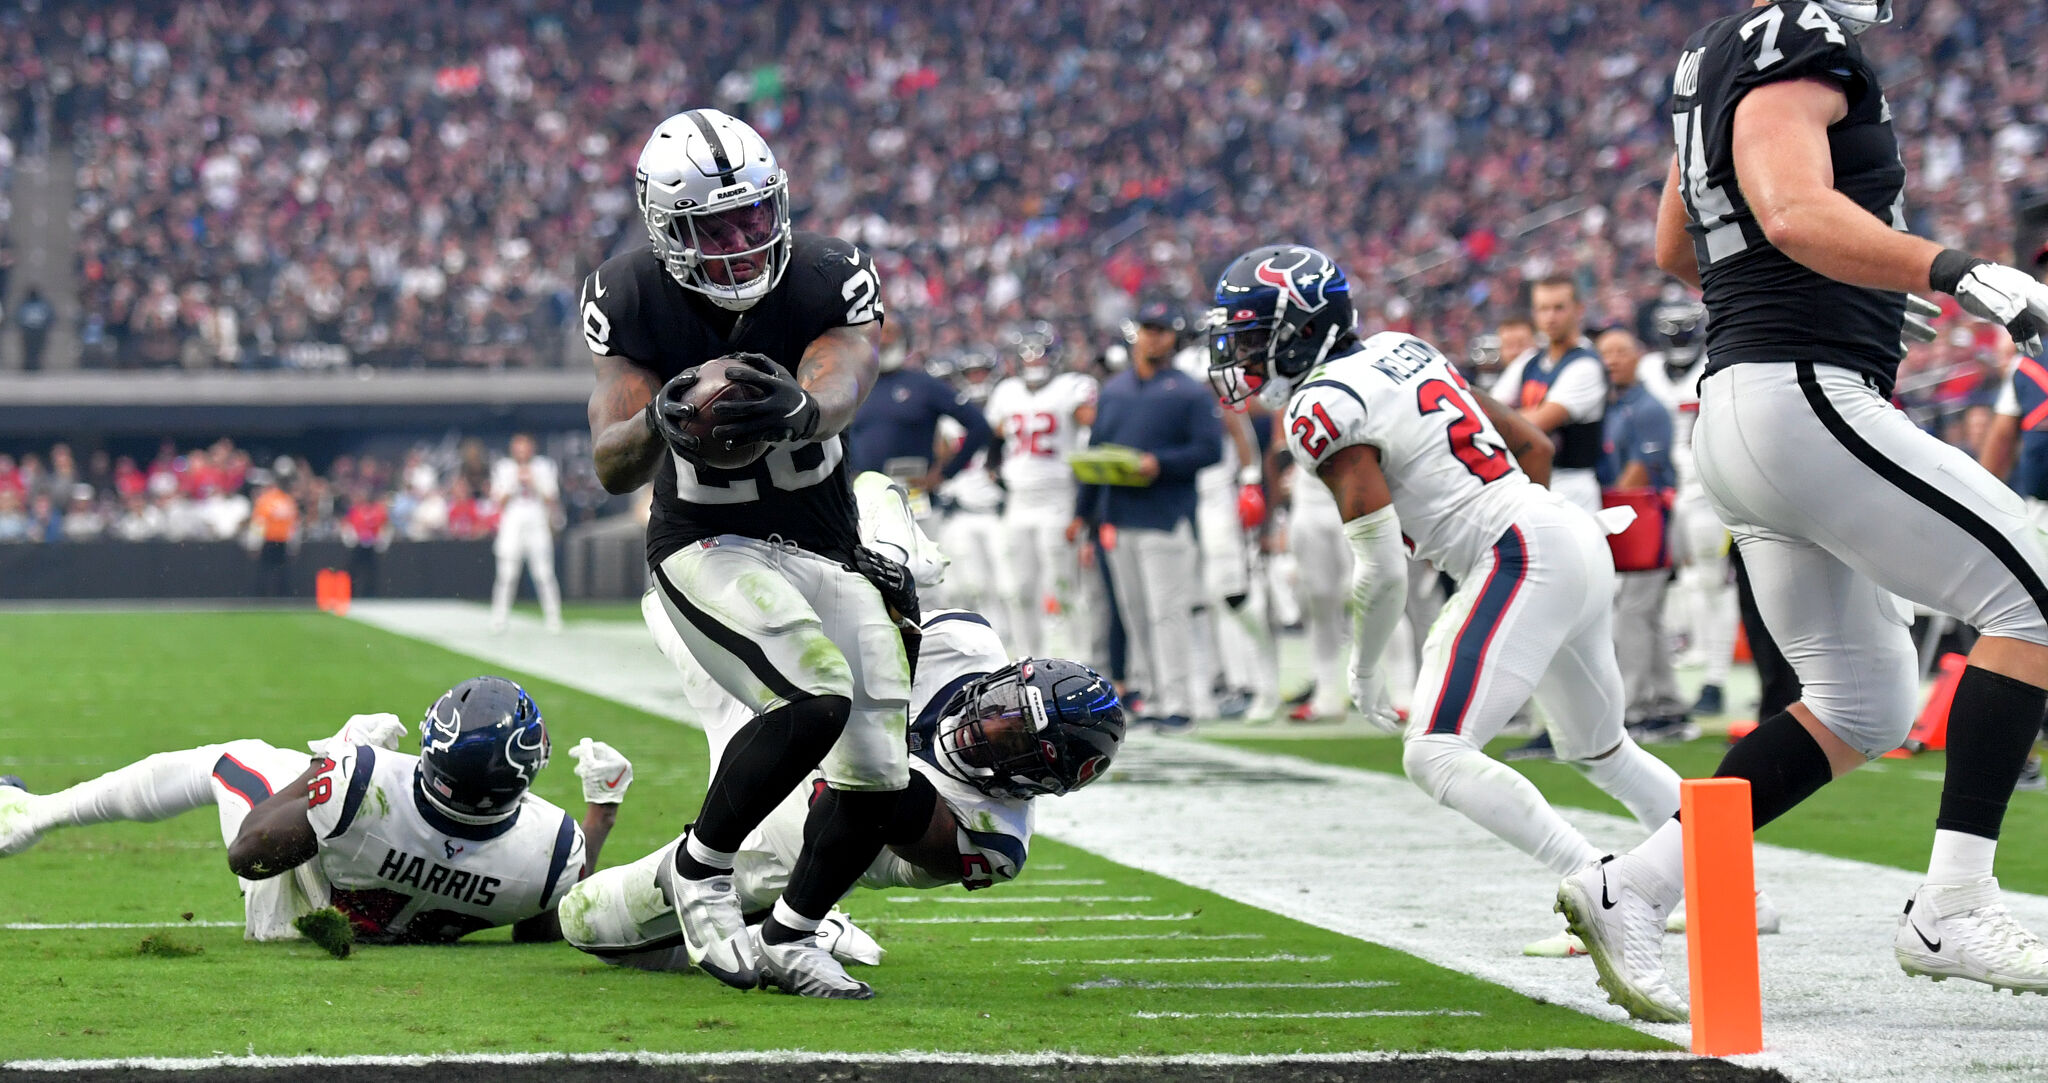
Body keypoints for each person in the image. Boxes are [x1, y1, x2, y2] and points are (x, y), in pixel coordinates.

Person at [1561, 0, 2048, 1022]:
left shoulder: (1713, 55)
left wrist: (1846, 287)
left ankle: (1634, 886)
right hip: (1800, 393)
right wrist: (1951, 270)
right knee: (2033, 593)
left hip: (1753, 402)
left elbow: (1675, 245)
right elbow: (1787, 211)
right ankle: (1952, 903)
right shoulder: (1797, 38)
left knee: (1862, 700)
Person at [1208, 243, 1687, 944]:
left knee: (1433, 750)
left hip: (1521, 548)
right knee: (1600, 747)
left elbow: (1381, 570)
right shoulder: (1404, 348)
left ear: (1301, 329)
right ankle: (1734, 882)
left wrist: (1364, 668)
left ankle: (1605, 888)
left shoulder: (1322, 406)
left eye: (1253, 334)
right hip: (1567, 533)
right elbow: (1534, 446)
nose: (1243, 353)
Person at [580, 108, 910, 999]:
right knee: (813, 693)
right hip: (707, 541)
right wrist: (659, 418)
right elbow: (611, 460)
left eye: (754, 216)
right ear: (664, 227)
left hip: (825, 540)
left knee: (878, 765)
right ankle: (700, 869)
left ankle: (797, 931)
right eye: (714, 227)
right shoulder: (633, 293)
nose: (741, 241)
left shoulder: (826, 272)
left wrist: (803, 410)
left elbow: (846, 371)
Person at [566, 614, 1125, 975]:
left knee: (584, 921)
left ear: (1036, 783)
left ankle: (794, 922)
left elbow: (853, 798)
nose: (991, 725)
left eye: (1018, 742)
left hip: (780, 843)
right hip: (784, 720)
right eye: (1006, 703)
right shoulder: (964, 643)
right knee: (668, 605)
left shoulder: (993, 837)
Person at [0, 678, 628, 945]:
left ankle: (33, 815)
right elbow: (549, 918)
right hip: (397, 928)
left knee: (232, 759)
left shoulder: (368, 782)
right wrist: (600, 813)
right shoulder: (560, 847)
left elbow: (248, 854)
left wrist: (334, 758)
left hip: (301, 909)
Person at [1073, 307, 1223, 731]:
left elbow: (1210, 450)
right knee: (1134, 613)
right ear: (1137, 334)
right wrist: (1083, 513)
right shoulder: (1115, 390)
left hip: (1166, 515)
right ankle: (1152, 697)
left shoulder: (1189, 392)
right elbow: (1096, 450)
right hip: (1118, 517)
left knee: (1167, 612)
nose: (1154, 339)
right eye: (1148, 330)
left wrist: (1162, 463)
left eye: (1162, 331)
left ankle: (1179, 700)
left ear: (1173, 338)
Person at [1158, 298, 1279, 722]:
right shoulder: (1171, 377)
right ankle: (1213, 681)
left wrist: (1248, 481)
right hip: (1181, 497)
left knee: (1229, 594)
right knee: (1192, 599)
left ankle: (1254, 681)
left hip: (1214, 495)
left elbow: (1237, 421)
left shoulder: (1207, 374)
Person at [1634, 296, 1738, 716]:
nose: (1678, 338)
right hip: (1654, 489)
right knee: (1652, 587)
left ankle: (1715, 678)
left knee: (1711, 583)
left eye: (1684, 328)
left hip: (1703, 490)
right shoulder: (1645, 373)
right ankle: (1660, 679)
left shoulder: (1717, 363)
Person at [1596, 328, 1694, 741]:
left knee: (1633, 614)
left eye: (1621, 351)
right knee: (1645, 614)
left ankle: (1633, 706)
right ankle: (1666, 703)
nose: (1612, 360)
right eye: (1606, 353)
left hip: (1644, 516)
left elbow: (1641, 469)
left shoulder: (1648, 407)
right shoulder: (1611, 404)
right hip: (1629, 516)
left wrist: (1607, 512)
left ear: (1638, 356)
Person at [987, 322, 1098, 661]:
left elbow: (1093, 425)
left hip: (1058, 497)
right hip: (1018, 501)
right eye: (1028, 356)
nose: (1034, 361)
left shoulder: (1073, 387)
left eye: (1041, 355)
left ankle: (1077, 661)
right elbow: (995, 437)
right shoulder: (1006, 392)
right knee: (1019, 590)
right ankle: (1027, 660)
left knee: (1062, 588)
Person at [1493, 276, 1608, 514]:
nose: (1550, 317)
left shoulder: (1586, 366)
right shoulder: (1529, 361)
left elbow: (1538, 422)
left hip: (1573, 485)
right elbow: (1488, 412)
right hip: (1528, 483)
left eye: (1559, 308)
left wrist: (1509, 416)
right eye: (1543, 309)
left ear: (1579, 309)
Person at [845, 324, 994, 496]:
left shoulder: (924, 385)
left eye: (889, 333)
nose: (883, 340)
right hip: (865, 498)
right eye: (876, 335)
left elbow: (979, 426)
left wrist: (944, 475)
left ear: (904, 340)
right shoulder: (853, 388)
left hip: (915, 497)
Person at [488, 433, 564, 634]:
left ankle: (553, 618)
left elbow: (551, 498)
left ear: (532, 448)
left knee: (544, 573)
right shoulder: (503, 467)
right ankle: (499, 619)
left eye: (525, 447)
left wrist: (533, 481)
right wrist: (515, 481)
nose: (522, 452)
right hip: (512, 524)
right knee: (506, 574)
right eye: (518, 448)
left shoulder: (544, 466)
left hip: (537, 523)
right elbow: (499, 501)